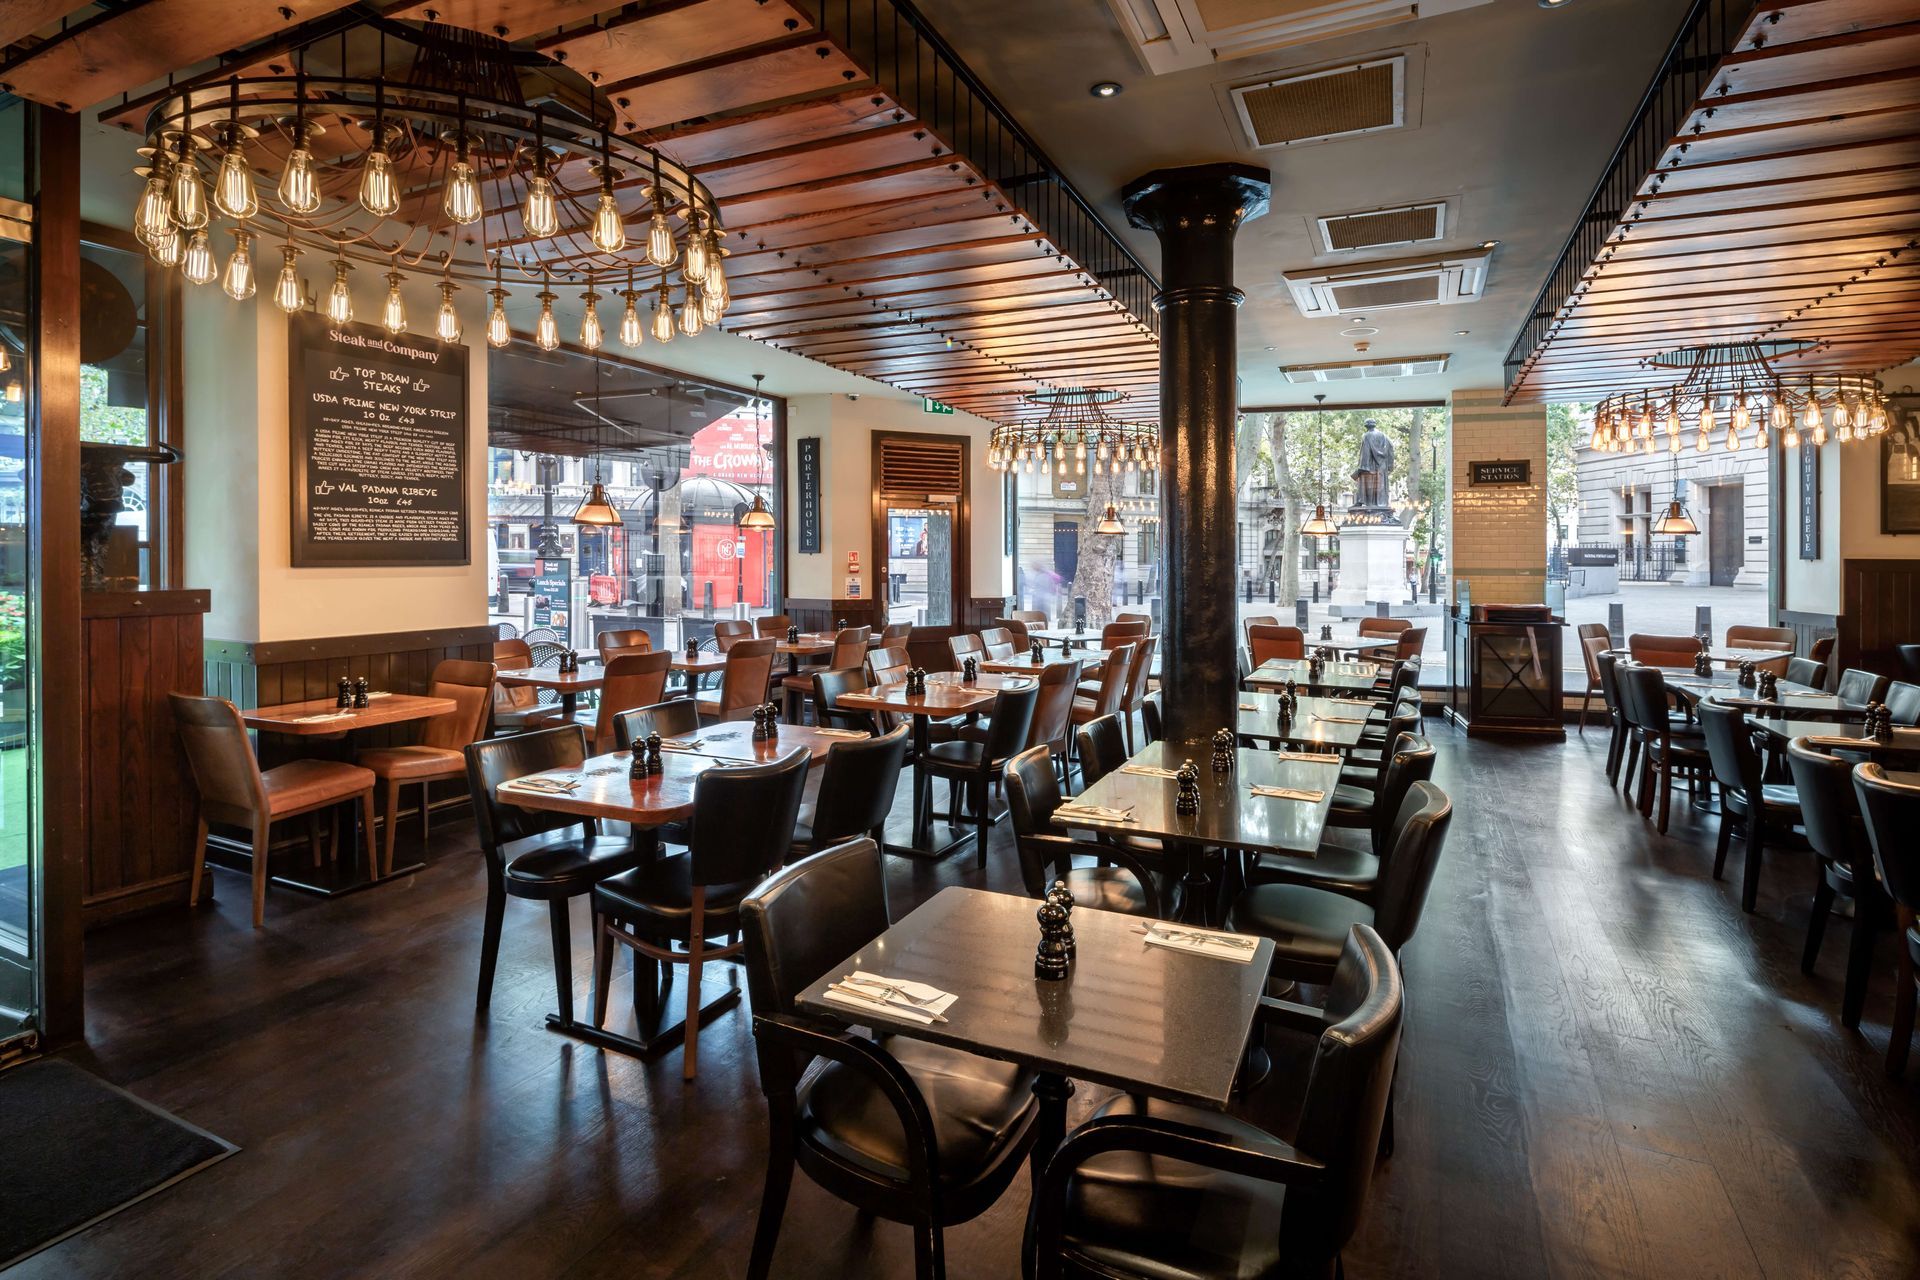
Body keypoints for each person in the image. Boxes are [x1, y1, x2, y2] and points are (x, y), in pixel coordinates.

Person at [1353, 419, 1395, 510]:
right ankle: (1379, 505)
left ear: (1366, 426)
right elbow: (1391, 447)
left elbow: (1365, 453)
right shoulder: (1383, 435)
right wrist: (1390, 465)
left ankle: (1366, 504)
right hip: (1382, 466)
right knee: (1380, 486)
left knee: (1368, 485)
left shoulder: (1367, 435)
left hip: (1370, 466)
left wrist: (1362, 468)